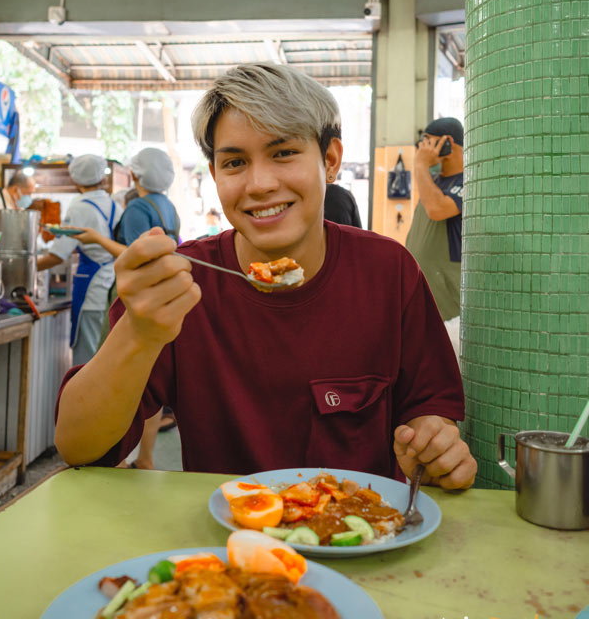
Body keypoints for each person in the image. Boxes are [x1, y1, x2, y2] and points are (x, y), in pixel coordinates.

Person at [55, 65, 476, 490]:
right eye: (235, 162)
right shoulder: (181, 286)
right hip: (224, 529)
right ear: (215, 174)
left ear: (330, 161)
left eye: (284, 153)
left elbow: (428, 408)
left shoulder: (388, 271)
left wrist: (431, 447)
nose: (258, 184)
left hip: (363, 524)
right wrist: (139, 333)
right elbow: (79, 447)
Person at [70, 147, 180, 468]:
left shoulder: (137, 208)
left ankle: (112, 456)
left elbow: (133, 255)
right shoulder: (168, 207)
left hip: (134, 296)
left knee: (115, 377)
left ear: (134, 174)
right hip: (162, 292)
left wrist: (96, 238)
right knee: (150, 380)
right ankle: (145, 457)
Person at [37, 155, 121, 367]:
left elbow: (58, 255)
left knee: (86, 360)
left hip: (91, 291)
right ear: (102, 177)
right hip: (111, 286)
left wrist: (28, 266)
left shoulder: (79, 207)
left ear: (75, 179)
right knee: (103, 356)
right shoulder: (114, 205)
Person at [405, 117, 464, 355]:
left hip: (451, 311)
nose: (422, 149)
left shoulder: (468, 181)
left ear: (447, 142)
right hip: (425, 301)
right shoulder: (434, 182)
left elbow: (437, 209)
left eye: (427, 142)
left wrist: (420, 165)